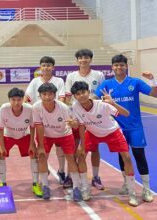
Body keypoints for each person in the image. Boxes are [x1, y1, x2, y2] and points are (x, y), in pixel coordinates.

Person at [95, 54, 157, 203]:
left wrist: (152, 80)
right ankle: (125, 183)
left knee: (139, 156)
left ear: (126, 66)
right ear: (112, 67)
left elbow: (155, 94)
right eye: (116, 65)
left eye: (121, 64)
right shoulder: (106, 85)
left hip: (135, 127)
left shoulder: (135, 82)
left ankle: (146, 189)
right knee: (123, 157)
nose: (119, 67)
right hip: (116, 128)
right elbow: (94, 99)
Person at [71, 81, 138, 206]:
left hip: (112, 132)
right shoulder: (75, 107)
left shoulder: (102, 105)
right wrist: (81, 145)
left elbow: (126, 114)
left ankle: (132, 193)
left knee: (127, 158)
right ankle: (85, 189)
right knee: (80, 155)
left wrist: (113, 103)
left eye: (84, 92)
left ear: (89, 92)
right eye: (78, 94)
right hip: (92, 133)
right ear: (75, 96)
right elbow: (81, 126)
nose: (82, 95)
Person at [33, 83, 84, 201]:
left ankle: (76, 187)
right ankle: (45, 186)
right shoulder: (36, 107)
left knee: (70, 158)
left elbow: (76, 124)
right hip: (46, 135)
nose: (47, 97)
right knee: (41, 156)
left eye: (50, 94)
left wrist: (74, 124)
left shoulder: (63, 108)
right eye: (44, 94)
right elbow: (39, 126)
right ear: (40, 95)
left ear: (55, 95)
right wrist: (40, 145)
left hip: (64, 134)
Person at [64, 49, 106, 190]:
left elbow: (102, 95)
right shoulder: (71, 76)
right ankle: (71, 176)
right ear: (77, 60)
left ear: (91, 59)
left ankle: (96, 177)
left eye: (86, 57)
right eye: (80, 58)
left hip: (93, 117)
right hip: (76, 115)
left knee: (94, 148)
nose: (83, 60)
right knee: (74, 147)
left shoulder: (98, 75)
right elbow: (68, 97)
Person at [24, 56, 67, 186]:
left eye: (49, 65)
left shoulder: (59, 81)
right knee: (42, 147)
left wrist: (54, 112)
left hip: (56, 119)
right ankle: (44, 170)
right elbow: (27, 98)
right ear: (40, 67)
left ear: (53, 67)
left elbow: (62, 99)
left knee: (60, 147)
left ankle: (61, 171)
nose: (46, 67)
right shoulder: (35, 81)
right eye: (43, 65)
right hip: (40, 121)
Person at [0, 88, 42, 197]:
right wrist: (2, 146)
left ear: (23, 99)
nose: (16, 102)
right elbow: (0, 128)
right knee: (0, 154)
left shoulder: (29, 109)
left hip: (24, 135)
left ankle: (35, 184)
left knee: (33, 155)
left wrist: (32, 144)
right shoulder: (4, 108)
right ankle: (3, 183)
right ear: (9, 100)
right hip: (8, 135)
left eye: (19, 99)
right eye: (13, 100)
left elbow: (32, 127)